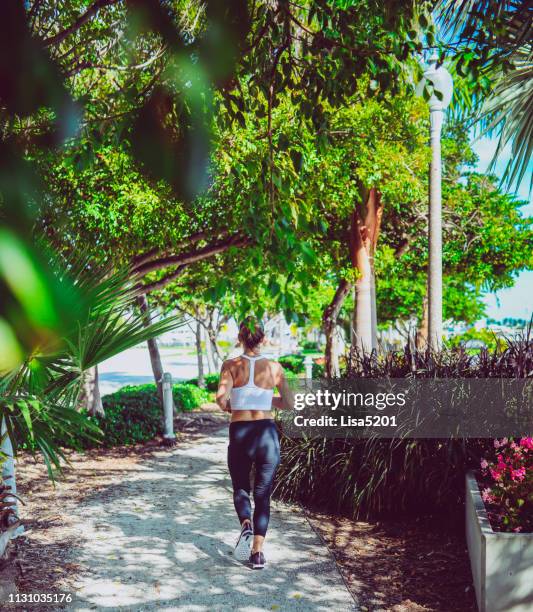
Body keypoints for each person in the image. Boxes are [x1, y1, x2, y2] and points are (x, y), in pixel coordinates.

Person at [216, 318, 293, 569]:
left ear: (240, 338)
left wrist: (232, 405)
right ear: (262, 339)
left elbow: (221, 399)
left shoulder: (231, 365)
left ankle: (245, 525)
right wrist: (264, 400)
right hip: (266, 434)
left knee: (240, 488)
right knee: (263, 494)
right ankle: (257, 553)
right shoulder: (274, 367)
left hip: (240, 432)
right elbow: (288, 403)